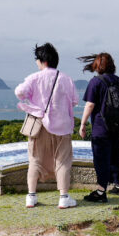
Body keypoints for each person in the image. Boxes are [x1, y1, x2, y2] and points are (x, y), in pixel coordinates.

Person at [15, 43, 80, 208]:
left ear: (42, 60)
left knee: (35, 159)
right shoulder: (66, 79)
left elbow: (20, 93)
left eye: (37, 59)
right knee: (63, 161)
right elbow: (74, 101)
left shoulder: (34, 77)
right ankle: (64, 198)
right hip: (63, 126)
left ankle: (31, 196)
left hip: (39, 125)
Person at [78, 52, 119, 202]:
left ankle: (101, 192)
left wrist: (82, 124)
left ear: (97, 66)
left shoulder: (96, 82)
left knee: (101, 159)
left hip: (102, 128)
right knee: (116, 156)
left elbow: (90, 104)